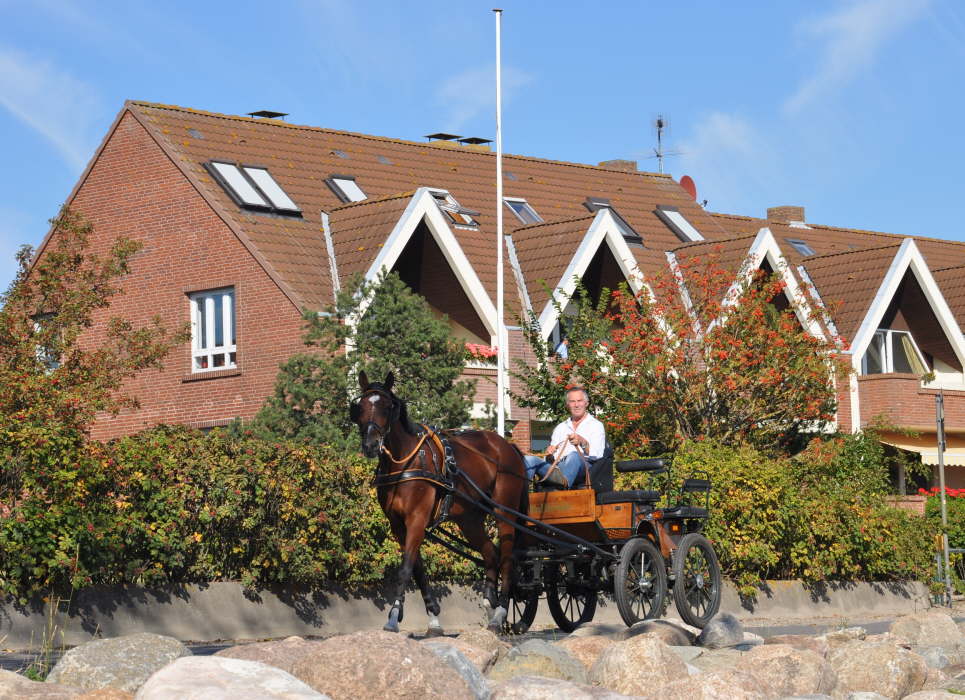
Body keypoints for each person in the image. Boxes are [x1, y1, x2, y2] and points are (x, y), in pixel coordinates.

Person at [525, 386, 606, 488]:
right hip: (558, 467)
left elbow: (597, 454)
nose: (576, 405)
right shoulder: (560, 428)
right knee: (529, 459)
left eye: (579, 401)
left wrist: (582, 442)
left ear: (586, 403)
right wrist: (550, 452)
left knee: (574, 455)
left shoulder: (596, 425)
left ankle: (563, 484)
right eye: (572, 401)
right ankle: (521, 493)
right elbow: (551, 458)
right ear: (568, 405)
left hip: (583, 467)